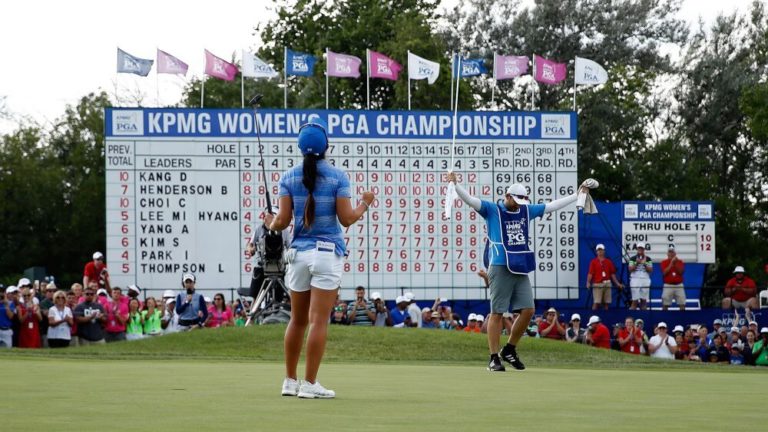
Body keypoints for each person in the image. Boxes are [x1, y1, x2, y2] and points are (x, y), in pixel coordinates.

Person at [265, 117, 374, 399]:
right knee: (318, 321)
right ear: (327, 146)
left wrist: (270, 222)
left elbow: (282, 222)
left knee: (297, 321)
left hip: (298, 254)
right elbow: (347, 219)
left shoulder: (287, 177)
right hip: (327, 254)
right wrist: (365, 203)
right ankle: (309, 384)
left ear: (300, 148)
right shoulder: (338, 176)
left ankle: (289, 381)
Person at [449, 172, 595, 372]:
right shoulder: (492, 210)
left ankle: (509, 349)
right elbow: (470, 200)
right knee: (497, 312)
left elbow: (551, 206)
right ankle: (493, 358)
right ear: (507, 196)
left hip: (520, 265)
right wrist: (455, 185)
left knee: (528, 310)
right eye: (515, 200)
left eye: (521, 201)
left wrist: (577, 195)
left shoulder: (525, 210)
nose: (518, 205)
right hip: (499, 265)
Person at [586, 244, 624, 310]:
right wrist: (588, 282)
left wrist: (618, 284)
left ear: (604, 251)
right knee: (596, 302)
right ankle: (593, 317)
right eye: (598, 250)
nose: (600, 251)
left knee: (607, 303)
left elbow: (612, 274)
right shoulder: (593, 262)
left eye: (601, 250)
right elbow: (590, 273)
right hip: (597, 284)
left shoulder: (609, 262)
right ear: (596, 251)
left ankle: (606, 317)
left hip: (607, 284)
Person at [628, 243, 653, 310]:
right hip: (635, 279)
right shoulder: (632, 258)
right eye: (639, 248)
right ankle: (632, 316)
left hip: (645, 279)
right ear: (637, 249)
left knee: (644, 300)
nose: (640, 249)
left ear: (644, 249)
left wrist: (644, 263)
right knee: (635, 299)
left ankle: (644, 316)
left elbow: (650, 270)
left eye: (641, 248)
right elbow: (630, 269)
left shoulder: (648, 259)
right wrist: (637, 263)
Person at [660, 246, 685, 310]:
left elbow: (681, 272)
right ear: (667, 254)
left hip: (679, 285)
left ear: (675, 254)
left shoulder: (680, 262)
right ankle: (663, 319)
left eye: (672, 252)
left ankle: (683, 318)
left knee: (682, 304)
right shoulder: (664, 262)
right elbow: (664, 273)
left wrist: (675, 263)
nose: (671, 254)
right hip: (668, 285)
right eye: (669, 252)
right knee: (665, 304)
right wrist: (671, 263)